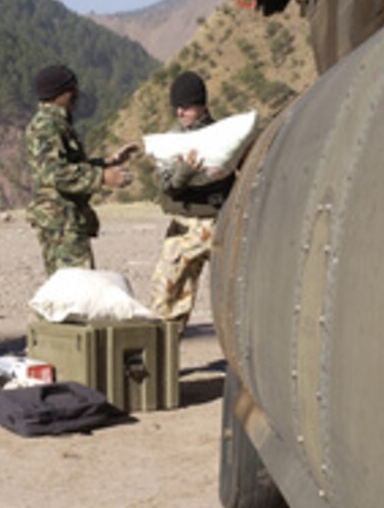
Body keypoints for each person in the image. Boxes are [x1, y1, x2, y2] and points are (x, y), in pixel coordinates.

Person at [23, 64, 137, 276]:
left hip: (65, 219)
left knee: (65, 288)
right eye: (72, 90)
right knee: (74, 288)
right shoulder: (47, 125)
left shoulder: (56, 122)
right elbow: (56, 173)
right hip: (61, 222)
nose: (76, 95)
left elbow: (69, 165)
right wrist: (102, 177)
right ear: (62, 93)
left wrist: (108, 161)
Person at [149, 71, 236, 328]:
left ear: (201, 105)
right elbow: (167, 186)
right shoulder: (172, 141)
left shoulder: (223, 137)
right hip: (185, 226)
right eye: (177, 107)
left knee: (231, 297)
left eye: (186, 107)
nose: (180, 112)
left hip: (220, 222)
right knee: (167, 297)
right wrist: (183, 174)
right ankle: (163, 359)